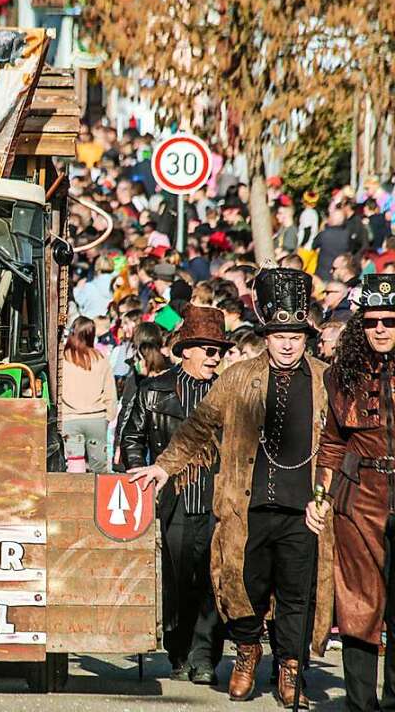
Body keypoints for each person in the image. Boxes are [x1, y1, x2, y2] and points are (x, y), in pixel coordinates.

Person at [131, 268, 333, 707]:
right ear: (266, 334)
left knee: (298, 593)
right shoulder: (238, 377)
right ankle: (246, 651)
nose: (286, 343)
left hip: (305, 509)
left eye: (295, 335)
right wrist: (163, 468)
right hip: (248, 503)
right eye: (279, 333)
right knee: (244, 586)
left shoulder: (325, 381)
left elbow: (339, 444)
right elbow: (198, 427)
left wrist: (325, 497)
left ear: (306, 337)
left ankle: (290, 667)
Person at [119, 305, 232, 684]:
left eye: (220, 351)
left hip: (218, 498)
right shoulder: (153, 390)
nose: (215, 357)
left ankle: (205, 657)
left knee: (213, 582)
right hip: (174, 501)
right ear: (186, 350)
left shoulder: (228, 392)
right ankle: (179, 650)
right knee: (178, 580)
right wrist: (141, 477)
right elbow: (131, 438)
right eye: (209, 349)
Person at [306, 274, 395, 712]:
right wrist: (320, 498)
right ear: (361, 325)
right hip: (358, 498)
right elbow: (332, 442)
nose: (381, 329)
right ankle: (362, 706)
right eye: (373, 321)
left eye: (390, 320)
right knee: (360, 606)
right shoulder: (342, 376)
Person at [59, 317, 117, 474]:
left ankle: (78, 496)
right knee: (99, 467)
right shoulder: (101, 358)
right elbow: (110, 392)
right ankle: (98, 497)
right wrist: (109, 417)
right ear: (92, 335)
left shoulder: (63, 359)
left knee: (74, 466)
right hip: (96, 419)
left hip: (70, 419)